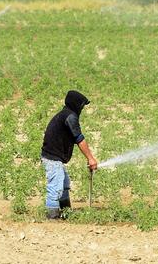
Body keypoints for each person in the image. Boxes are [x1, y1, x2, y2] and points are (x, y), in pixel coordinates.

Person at [41, 90, 98, 219]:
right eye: (82, 106)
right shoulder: (70, 117)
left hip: (55, 158)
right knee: (55, 186)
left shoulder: (65, 114)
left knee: (64, 184)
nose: (82, 109)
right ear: (76, 104)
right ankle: (52, 217)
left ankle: (66, 213)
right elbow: (79, 138)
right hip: (52, 158)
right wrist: (90, 158)